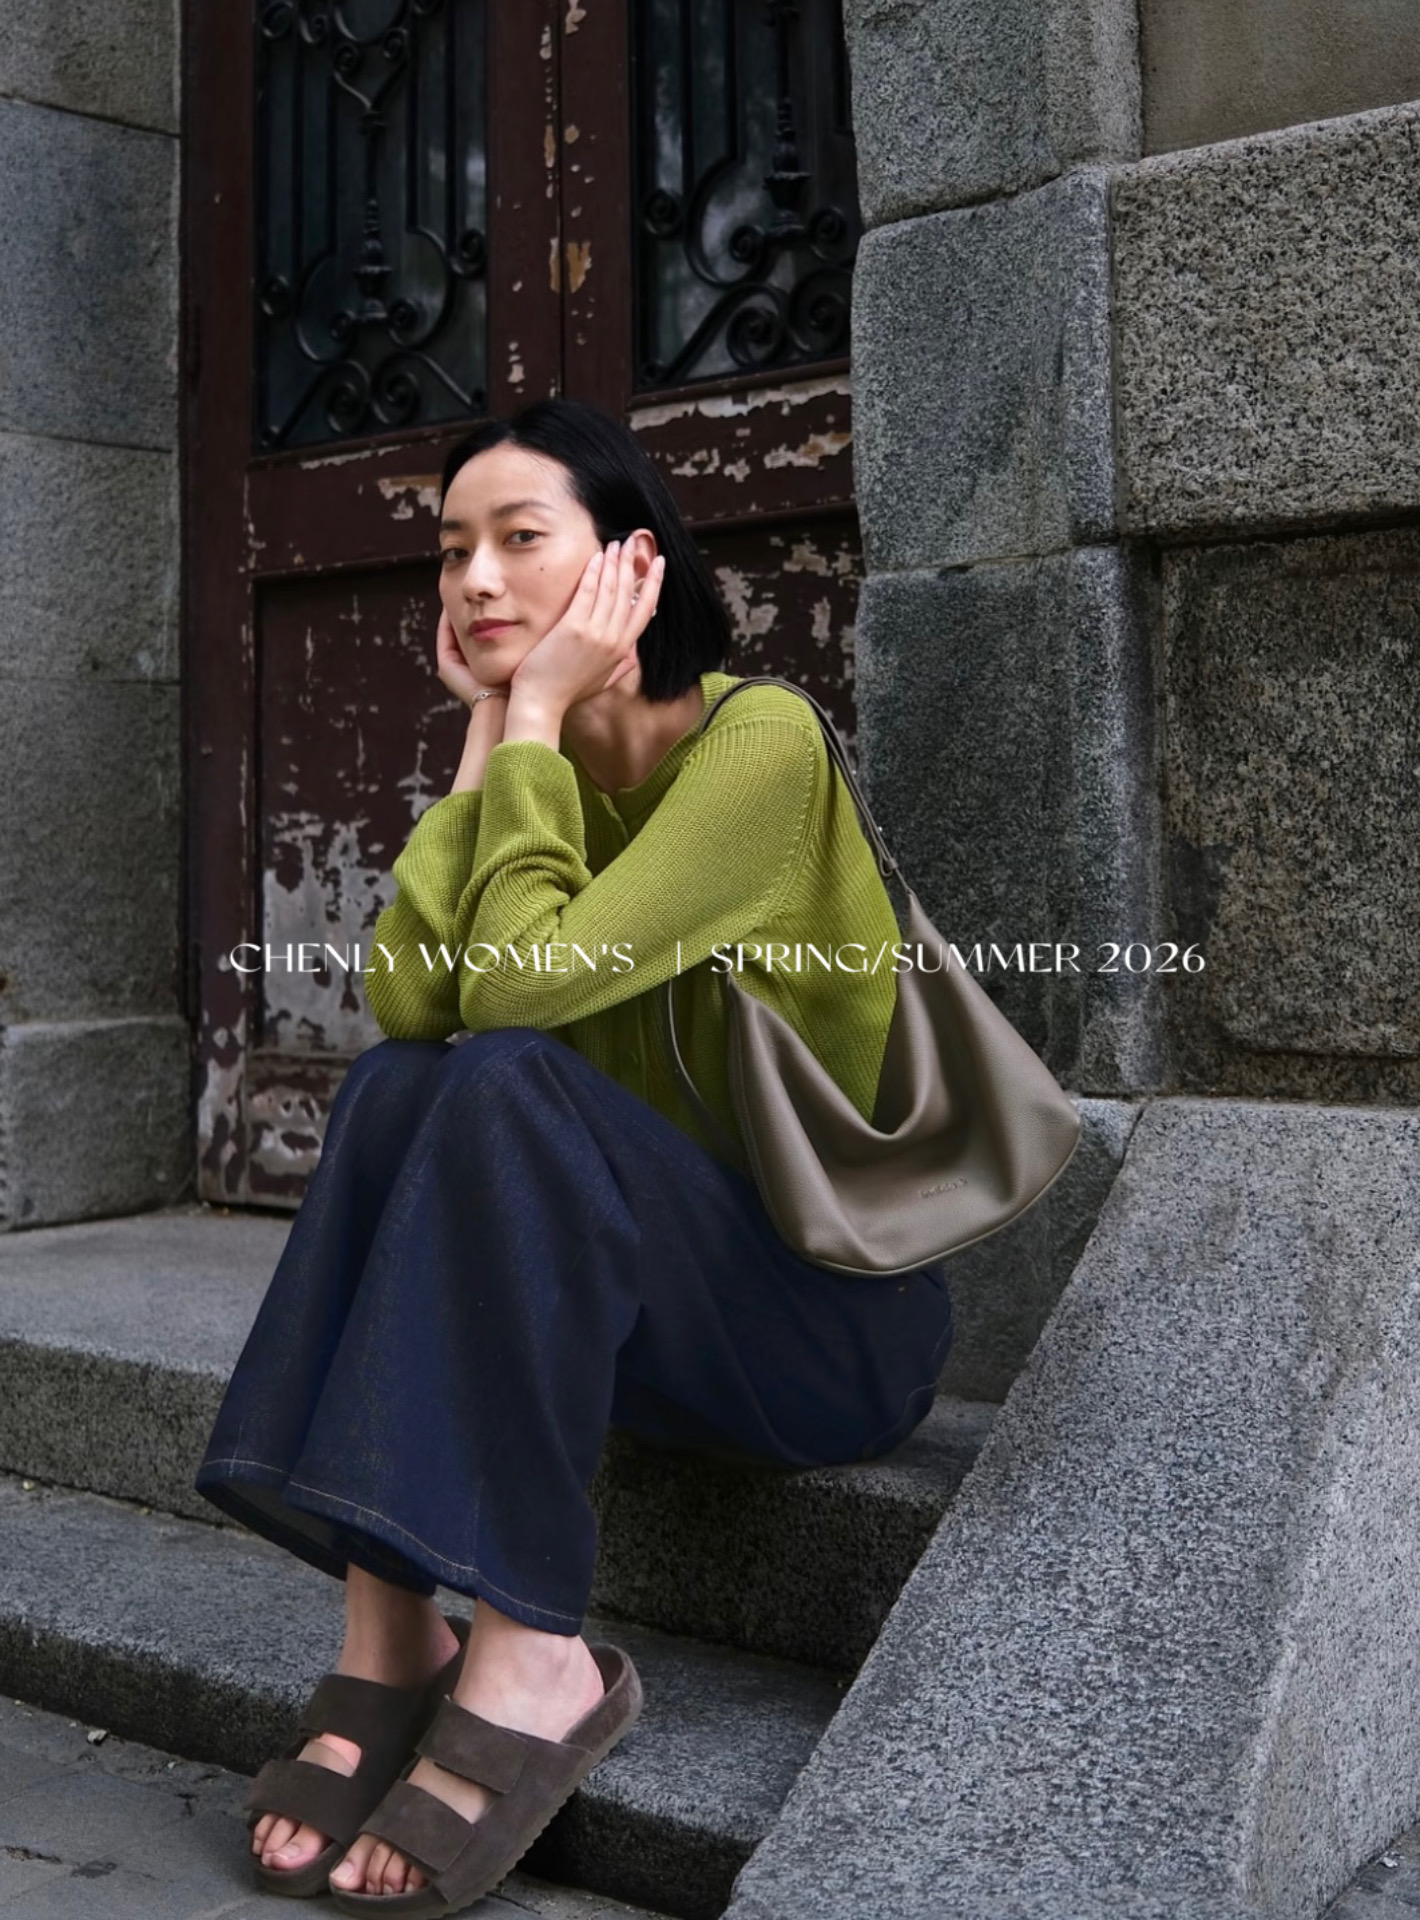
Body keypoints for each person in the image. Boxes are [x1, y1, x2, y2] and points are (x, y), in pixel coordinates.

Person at [194, 397, 954, 1915]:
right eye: (450, 550)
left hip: (820, 1332)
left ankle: (533, 1650)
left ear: (634, 567)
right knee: (402, 1086)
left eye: (519, 539)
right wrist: (492, 742)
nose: (472, 579)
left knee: (502, 1072)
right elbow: (412, 1003)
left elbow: (518, 996)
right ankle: (390, 1635)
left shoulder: (759, 746)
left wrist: (527, 721)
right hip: (633, 1315)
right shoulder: (541, 765)